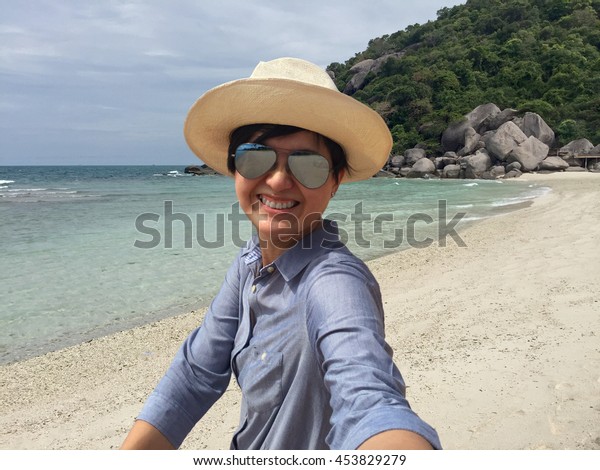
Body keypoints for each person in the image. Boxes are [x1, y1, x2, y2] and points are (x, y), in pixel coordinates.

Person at [121, 57, 441, 450]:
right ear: (235, 168)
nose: (276, 179)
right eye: (256, 157)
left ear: (335, 181)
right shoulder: (250, 263)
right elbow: (195, 375)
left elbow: (369, 398)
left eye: (308, 165)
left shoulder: (335, 281)